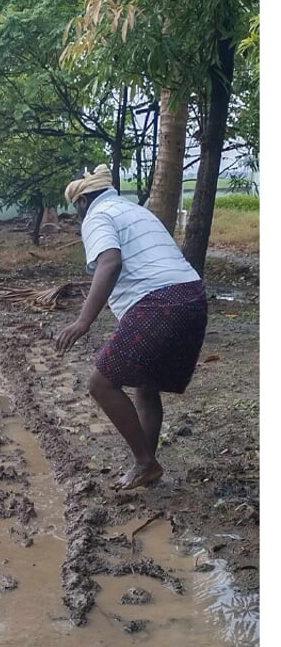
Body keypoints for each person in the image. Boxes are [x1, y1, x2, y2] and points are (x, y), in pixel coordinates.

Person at [54, 166, 209, 489]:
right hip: (192, 297)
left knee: (100, 383)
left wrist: (83, 321)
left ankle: (144, 462)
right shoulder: (135, 210)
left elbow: (110, 262)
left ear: (82, 202)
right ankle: (146, 465)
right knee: (144, 383)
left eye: (76, 209)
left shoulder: (98, 215)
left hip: (159, 302)